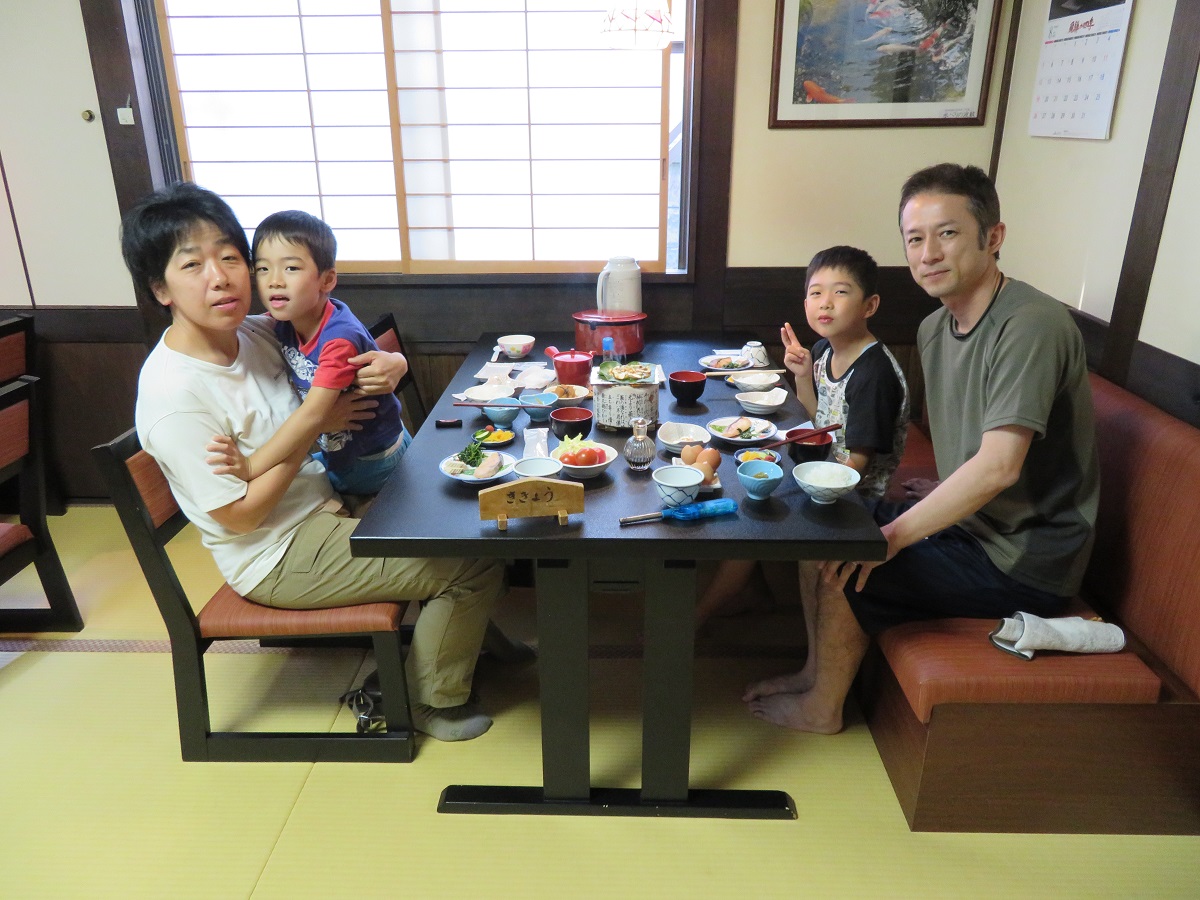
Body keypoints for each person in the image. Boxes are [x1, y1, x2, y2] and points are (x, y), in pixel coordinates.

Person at [122, 182, 505, 742]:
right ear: (161, 289)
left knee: (467, 517)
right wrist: (315, 433)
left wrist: (394, 364)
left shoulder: (254, 333)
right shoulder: (173, 397)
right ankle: (429, 701)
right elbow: (241, 517)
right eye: (192, 265)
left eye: (230, 258)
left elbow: (340, 341)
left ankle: (476, 648)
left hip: (332, 500)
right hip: (277, 553)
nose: (220, 278)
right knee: (471, 562)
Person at [744, 162, 1100, 734]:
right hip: (971, 524)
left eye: (948, 233)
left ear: (994, 236)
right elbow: (983, 451)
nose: (928, 253)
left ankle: (823, 708)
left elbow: (1000, 467)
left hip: (1023, 557)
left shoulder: (1030, 325)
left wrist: (891, 536)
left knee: (853, 561)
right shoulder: (935, 329)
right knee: (823, 528)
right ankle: (814, 673)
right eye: (915, 239)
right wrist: (944, 490)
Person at [695, 246, 909, 628]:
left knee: (753, 509)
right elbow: (816, 420)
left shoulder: (873, 373)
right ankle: (750, 592)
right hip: (822, 470)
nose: (825, 302)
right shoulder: (825, 350)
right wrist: (803, 376)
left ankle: (697, 618)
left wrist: (799, 480)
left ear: (870, 305)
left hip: (854, 500)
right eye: (816, 292)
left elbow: (857, 466)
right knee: (748, 480)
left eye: (840, 292)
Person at [208, 210, 408, 499]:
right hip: (350, 450)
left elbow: (312, 415)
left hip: (372, 461)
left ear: (327, 280)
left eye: (291, 268)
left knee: (284, 487)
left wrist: (251, 466)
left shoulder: (338, 340)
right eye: (263, 269)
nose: (274, 281)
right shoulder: (285, 320)